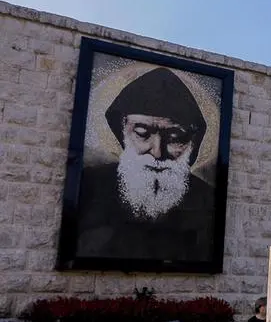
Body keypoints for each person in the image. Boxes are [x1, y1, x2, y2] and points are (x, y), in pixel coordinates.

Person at [76, 67, 216, 262]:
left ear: (193, 143)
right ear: (122, 131)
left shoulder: (207, 200)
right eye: (142, 133)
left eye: (175, 137)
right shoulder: (89, 185)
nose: (157, 152)